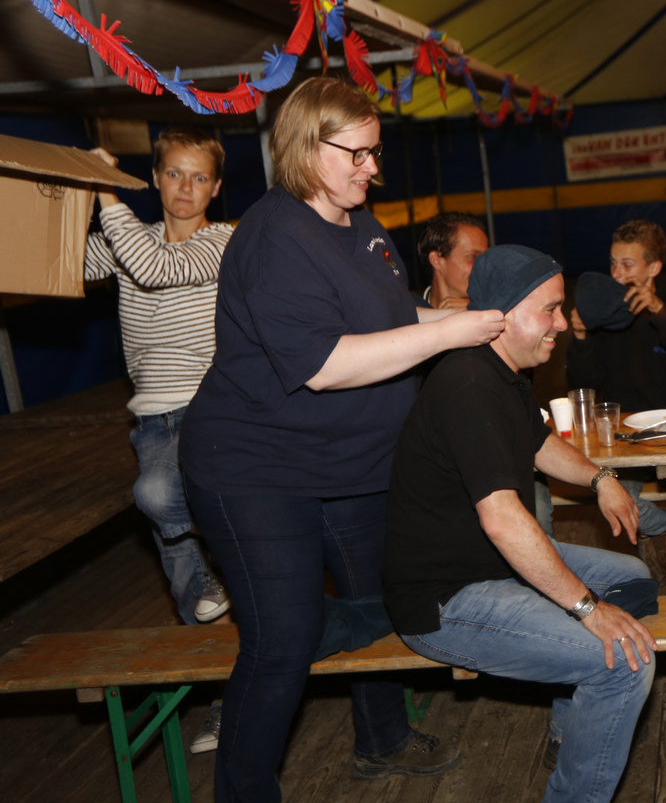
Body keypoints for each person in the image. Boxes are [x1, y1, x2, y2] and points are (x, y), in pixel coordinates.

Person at [180, 77, 505, 802]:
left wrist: (478, 321)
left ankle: (382, 738)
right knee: (282, 643)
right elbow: (325, 365)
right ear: (305, 146)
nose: (372, 168)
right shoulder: (273, 238)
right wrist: (448, 333)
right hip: (257, 471)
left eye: (375, 152)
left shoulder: (362, 223)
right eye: (357, 154)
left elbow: (392, 319)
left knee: (386, 601)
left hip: (354, 467)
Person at [384, 244, 657, 803]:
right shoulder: (467, 385)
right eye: (549, 310)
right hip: (445, 600)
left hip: (492, 567)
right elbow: (503, 521)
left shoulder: (500, 370)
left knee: (633, 580)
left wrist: (600, 478)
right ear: (502, 315)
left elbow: (538, 442)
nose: (560, 323)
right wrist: (586, 608)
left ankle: (571, 729)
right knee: (625, 664)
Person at [84, 128, 235, 753]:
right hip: (151, 420)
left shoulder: (220, 243)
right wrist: (68, 191)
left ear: (216, 188)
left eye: (199, 177)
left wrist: (104, 191)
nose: (185, 188)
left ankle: (218, 558)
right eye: (174, 173)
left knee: (154, 495)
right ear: (153, 178)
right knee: (188, 591)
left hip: (210, 409)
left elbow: (154, 270)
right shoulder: (131, 239)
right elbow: (68, 263)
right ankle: (223, 697)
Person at [566, 220, 666, 583]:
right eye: (612, 263)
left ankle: (661, 552)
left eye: (627, 264)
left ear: (653, 268)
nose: (617, 274)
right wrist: (581, 337)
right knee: (613, 499)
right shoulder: (604, 313)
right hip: (623, 437)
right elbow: (583, 387)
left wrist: (661, 315)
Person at [415, 211, 489, 310]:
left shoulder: (497, 309)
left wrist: (478, 308)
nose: (484, 266)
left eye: (486, 258)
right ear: (436, 260)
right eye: (472, 257)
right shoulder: (408, 313)